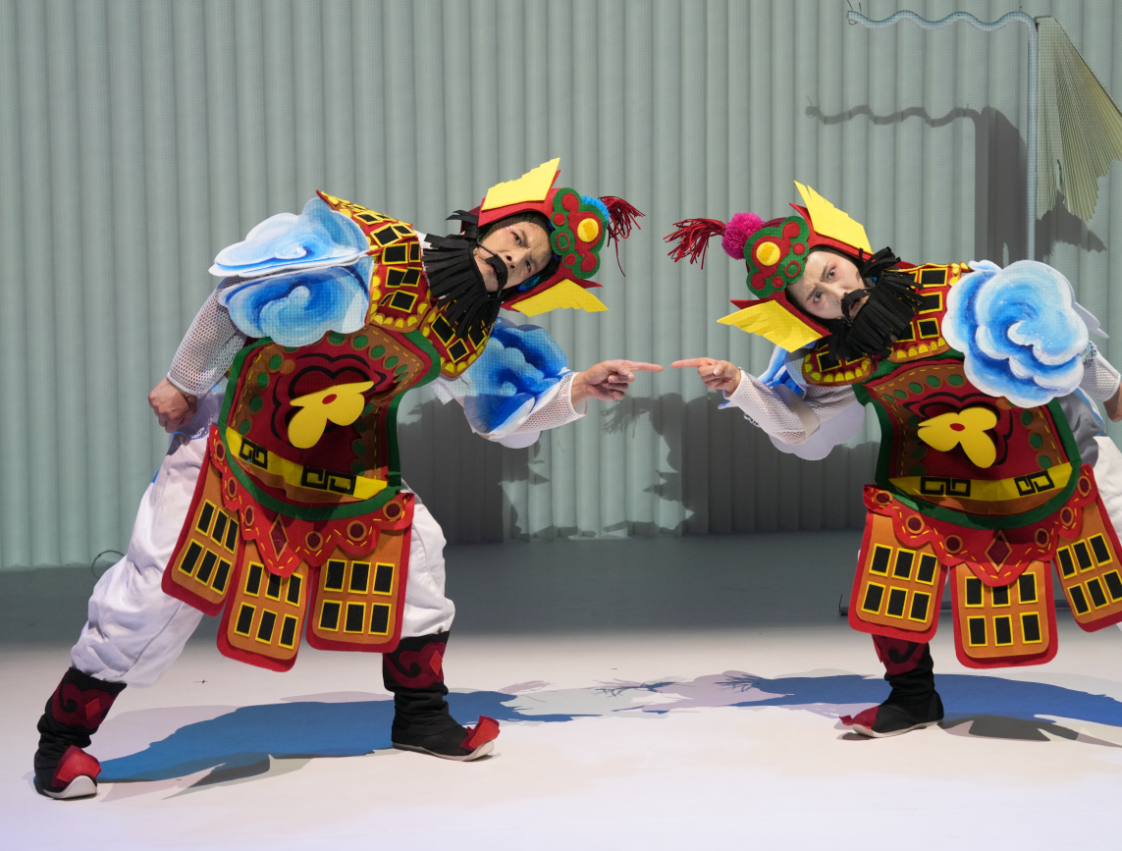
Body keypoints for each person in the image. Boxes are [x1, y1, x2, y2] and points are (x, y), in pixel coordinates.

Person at [34, 159, 662, 798]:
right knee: (157, 589)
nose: (516, 259)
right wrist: (184, 380)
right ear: (489, 223)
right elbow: (241, 292)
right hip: (234, 448)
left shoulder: (472, 329)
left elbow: (503, 412)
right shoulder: (375, 247)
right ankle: (59, 741)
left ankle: (422, 718)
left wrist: (580, 387)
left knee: (418, 556)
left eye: (531, 264)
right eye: (518, 239)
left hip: (345, 471)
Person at [667, 184, 1122, 739]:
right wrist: (741, 384)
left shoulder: (957, 289)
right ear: (805, 314)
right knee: (888, 585)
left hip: (1061, 456)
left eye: (831, 272)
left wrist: (1109, 386)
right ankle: (912, 696)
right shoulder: (837, 359)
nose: (834, 292)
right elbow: (800, 429)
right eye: (816, 296)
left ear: (849, 254)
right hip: (938, 485)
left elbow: (1052, 330)